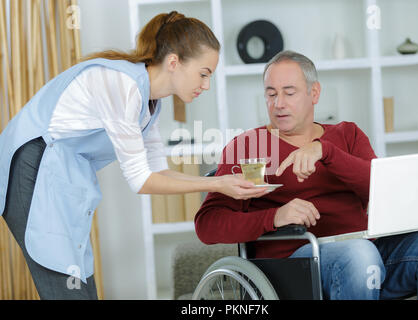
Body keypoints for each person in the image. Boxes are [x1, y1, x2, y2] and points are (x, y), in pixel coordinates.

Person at [0, 11, 267, 300]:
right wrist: (217, 184)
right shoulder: (122, 85)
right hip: (31, 166)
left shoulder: (150, 105)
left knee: (78, 278)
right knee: (63, 278)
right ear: (174, 62)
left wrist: (222, 180)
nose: (206, 85)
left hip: (60, 173)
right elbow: (141, 181)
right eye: (203, 74)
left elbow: (158, 172)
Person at [195, 50, 418, 300]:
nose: (278, 104)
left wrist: (326, 152)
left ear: (314, 93)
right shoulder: (251, 147)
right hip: (297, 265)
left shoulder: (347, 135)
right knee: (360, 255)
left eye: (289, 92)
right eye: (271, 94)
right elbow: (208, 224)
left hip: (368, 251)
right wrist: (275, 216)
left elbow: (379, 191)